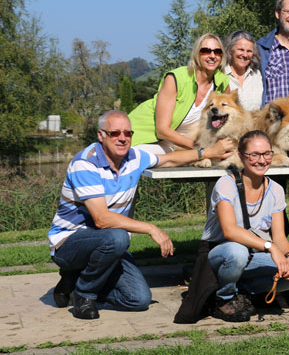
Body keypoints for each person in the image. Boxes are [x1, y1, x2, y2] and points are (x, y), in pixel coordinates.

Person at [48, 110, 234, 320]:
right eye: (115, 133)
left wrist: (207, 153)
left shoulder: (133, 157)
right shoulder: (85, 163)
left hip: (107, 244)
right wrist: (151, 228)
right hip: (69, 243)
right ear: (101, 135)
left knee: (138, 300)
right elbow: (102, 219)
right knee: (118, 237)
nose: (122, 138)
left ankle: (76, 279)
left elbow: (169, 160)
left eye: (128, 133)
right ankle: (84, 294)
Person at [201, 130, 289, 322]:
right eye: (254, 155)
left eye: (266, 154)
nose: (261, 160)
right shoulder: (225, 184)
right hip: (221, 253)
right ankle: (223, 298)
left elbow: (279, 236)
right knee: (237, 252)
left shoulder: (276, 190)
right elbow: (229, 230)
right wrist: (270, 247)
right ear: (241, 157)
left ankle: (242, 292)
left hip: (253, 253)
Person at [129, 33, 230, 154]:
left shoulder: (222, 83)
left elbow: (228, 119)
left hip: (183, 142)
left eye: (217, 52)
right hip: (148, 137)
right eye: (206, 51)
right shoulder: (176, 78)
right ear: (197, 54)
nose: (212, 56)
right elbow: (162, 130)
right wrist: (201, 148)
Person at [223, 30, 263, 111]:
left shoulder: (257, 75)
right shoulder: (221, 75)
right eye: (241, 50)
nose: (245, 55)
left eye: (249, 51)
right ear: (230, 51)